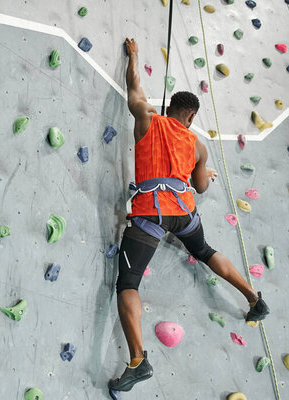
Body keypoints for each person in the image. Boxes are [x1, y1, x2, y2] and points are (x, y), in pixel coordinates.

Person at [108, 38, 270, 395]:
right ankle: (255, 300)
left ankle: (138, 360)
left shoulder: (148, 118)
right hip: (185, 213)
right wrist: (205, 172)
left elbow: (133, 85)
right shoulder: (198, 145)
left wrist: (135, 55)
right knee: (207, 250)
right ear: (191, 117)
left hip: (153, 213)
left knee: (129, 283)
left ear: (168, 108)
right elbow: (200, 188)